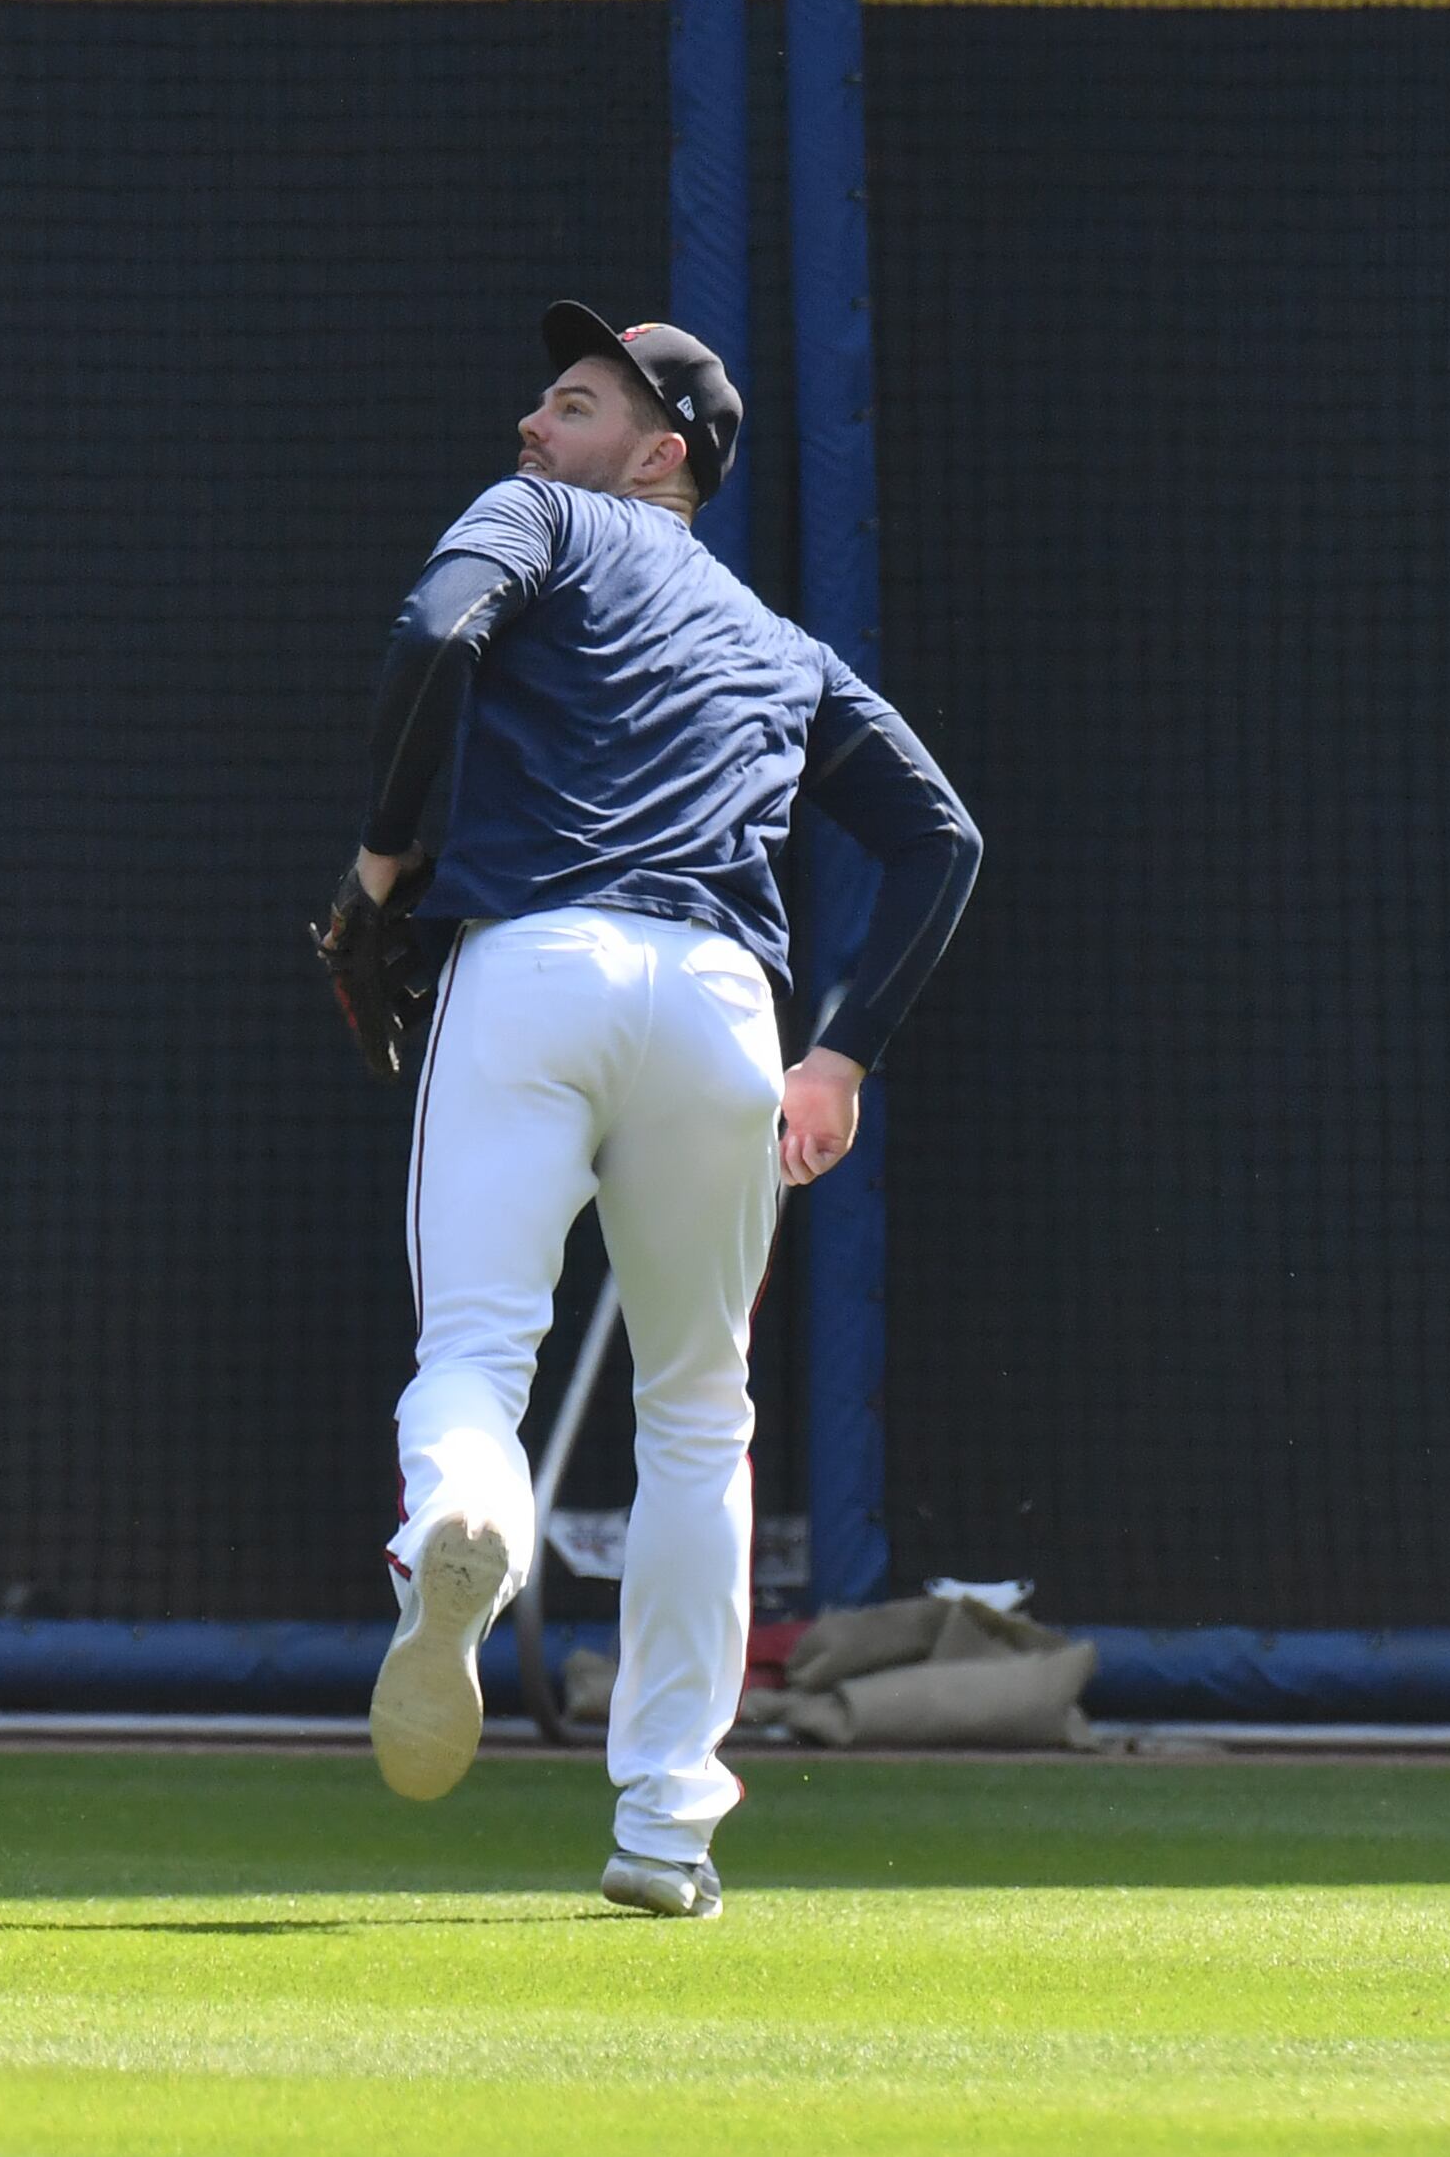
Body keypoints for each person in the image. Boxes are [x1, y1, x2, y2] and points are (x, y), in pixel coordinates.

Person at [338, 303, 978, 1918]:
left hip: (536, 962)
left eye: (571, 400)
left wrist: (378, 862)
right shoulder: (783, 646)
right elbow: (941, 840)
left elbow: (431, 634)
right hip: (721, 1010)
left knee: (479, 1351)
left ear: (661, 452)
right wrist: (840, 1057)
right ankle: (667, 1829)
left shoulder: (543, 519)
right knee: (701, 1410)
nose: (532, 426)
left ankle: (466, 1529)